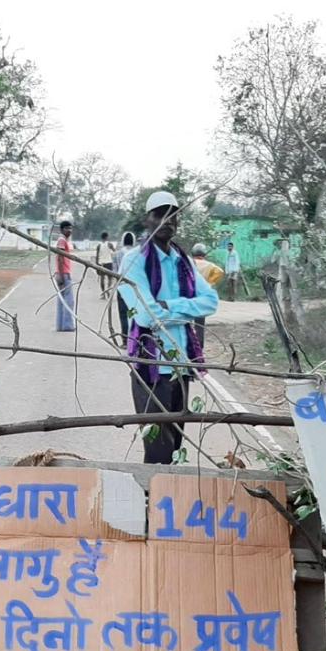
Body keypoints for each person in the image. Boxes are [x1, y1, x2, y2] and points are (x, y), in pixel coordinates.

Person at [118, 191, 219, 464]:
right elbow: (146, 317)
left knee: (174, 446)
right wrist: (187, 308)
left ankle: (167, 491)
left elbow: (211, 301)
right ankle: (151, 491)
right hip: (150, 366)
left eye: (173, 215)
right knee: (157, 450)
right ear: (147, 220)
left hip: (181, 367)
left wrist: (169, 306)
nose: (167, 221)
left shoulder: (183, 261)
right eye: (159, 214)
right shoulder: (134, 261)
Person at [110, 231, 137, 340]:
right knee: (134, 313)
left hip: (121, 286)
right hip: (134, 287)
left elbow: (115, 271)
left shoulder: (117, 254)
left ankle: (125, 339)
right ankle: (134, 339)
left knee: (123, 314)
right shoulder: (137, 253)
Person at [53, 219, 76, 332]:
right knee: (69, 300)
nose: (69, 230)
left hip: (63, 273)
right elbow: (60, 258)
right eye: (67, 228)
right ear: (62, 230)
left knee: (62, 300)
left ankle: (60, 325)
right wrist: (62, 275)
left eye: (70, 228)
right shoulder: (62, 240)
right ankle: (67, 325)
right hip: (64, 273)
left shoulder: (63, 240)